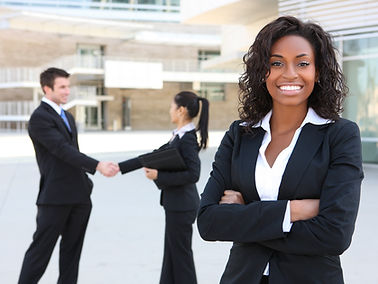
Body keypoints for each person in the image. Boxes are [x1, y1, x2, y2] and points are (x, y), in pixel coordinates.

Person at [197, 16, 363, 284]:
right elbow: (208, 222)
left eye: (302, 63)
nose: (289, 74)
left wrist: (246, 215)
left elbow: (335, 234)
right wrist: (293, 211)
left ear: (318, 71)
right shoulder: (239, 134)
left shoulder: (340, 135)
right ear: (263, 71)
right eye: (276, 63)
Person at [18, 67, 119, 284]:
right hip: (55, 197)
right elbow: (62, 150)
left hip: (79, 196)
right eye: (62, 87)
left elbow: (73, 152)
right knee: (39, 254)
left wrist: (86, 182)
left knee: (71, 256)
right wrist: (98, 165)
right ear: (47, 89)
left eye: (68, 86)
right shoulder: (39, 118)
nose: (67, 91)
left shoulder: (67, 117)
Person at [118, 91, 209, 284]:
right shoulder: (179, 136)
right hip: (176, 205)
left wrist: (160, 175)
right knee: (172, 253)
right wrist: (120, 167)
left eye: (171, 107)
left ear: (181, 110)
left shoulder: (188, 139)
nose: (170, 111)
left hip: (182, 206)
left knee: (180, 255)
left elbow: (194, 174)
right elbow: (154, 156)